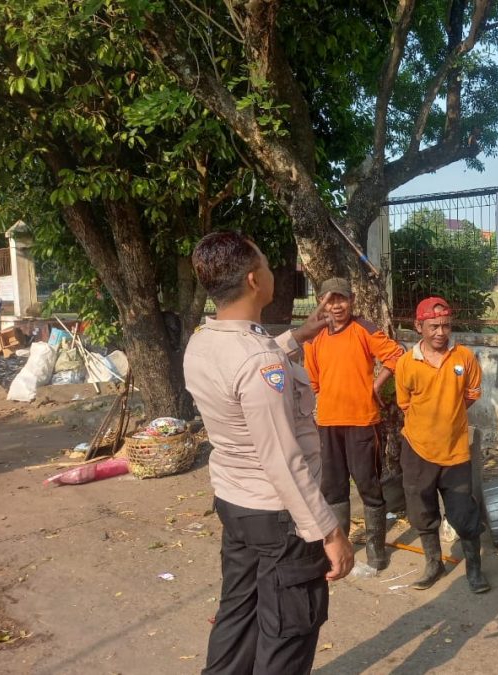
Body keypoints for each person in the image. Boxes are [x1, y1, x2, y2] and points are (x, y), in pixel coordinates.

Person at [184, 231, 353, 675]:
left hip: (236, 506)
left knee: (237, 618)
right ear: (255, 280)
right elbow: (283, 460)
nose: (274, 271)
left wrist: (298, 335)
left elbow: (246, 365)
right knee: (287, 633)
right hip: (280, 519)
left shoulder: (204, 341)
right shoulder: (261, 363)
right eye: (268, 264)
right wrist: (329, 533)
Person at [303, 277, 404, 571]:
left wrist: (376, 385)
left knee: (368, 485)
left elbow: (396, 356)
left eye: (342, 299)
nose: (337, 306)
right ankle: (340, 546)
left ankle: (375, 550)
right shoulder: (314, 337)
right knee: (332, 488)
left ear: (352, 301)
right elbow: (312, 381)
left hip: (362, 421)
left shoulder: (364, 329)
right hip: (328, 424)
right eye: (330, 300)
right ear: (321, 303)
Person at [394, 297, 489, 594]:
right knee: (421, 510)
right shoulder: (406, 363)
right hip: (417, 449)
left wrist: (449, 416)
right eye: (433, 326)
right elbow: (405, 403)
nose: (440, 332)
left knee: (463, 513)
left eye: (446, 325)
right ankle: (433, 565)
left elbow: (471, 394)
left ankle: (474, 569)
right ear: (419, 326)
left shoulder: (464, 358)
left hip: (455, 451)